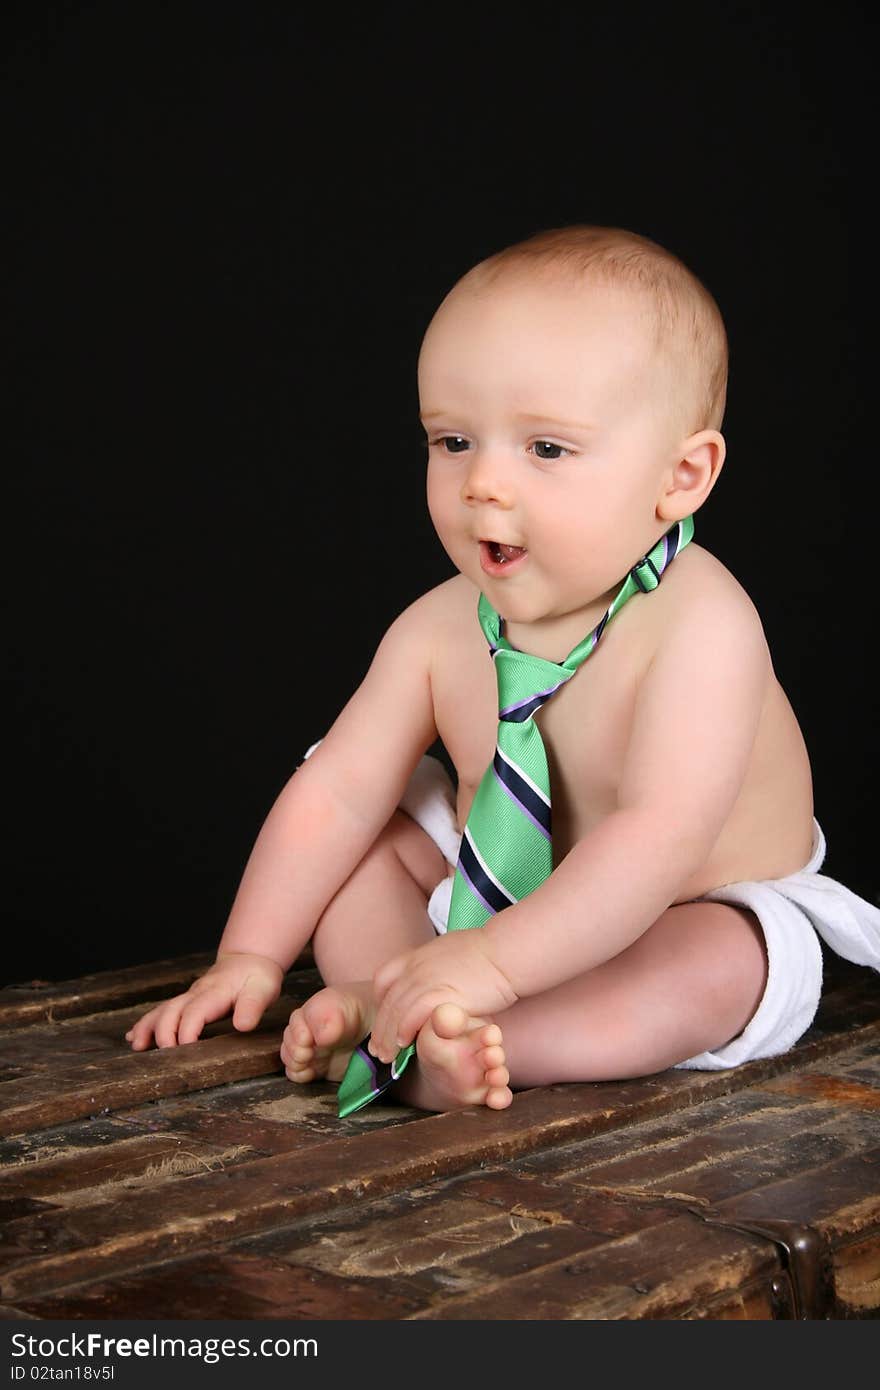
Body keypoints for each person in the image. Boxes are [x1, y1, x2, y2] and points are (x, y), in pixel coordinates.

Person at [126, 225, 880, 1113]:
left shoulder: (702, 624)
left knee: (719, 965)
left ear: (681, 475)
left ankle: (484, 1045)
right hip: (489, 906)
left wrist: (489, 963)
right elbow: (335, 792)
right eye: (452, 442)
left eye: (546, 449)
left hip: (681, 906)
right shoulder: (437, 629)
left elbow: (656, 837)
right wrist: (249, 954)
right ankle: (393, 1005)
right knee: (361, 843)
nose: (483, 483)